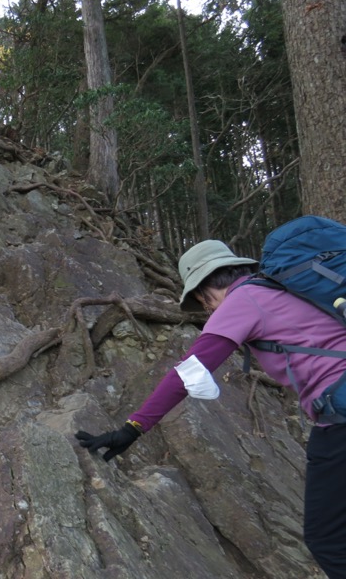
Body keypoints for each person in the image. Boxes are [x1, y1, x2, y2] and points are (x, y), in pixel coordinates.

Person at [75, 239, 346, 578]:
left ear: (206, 287)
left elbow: (188, 373)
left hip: (341, 417)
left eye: (202, 300)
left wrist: (132, 428)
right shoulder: (278, 292)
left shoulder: (243, 300)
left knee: (328, 538)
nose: (207, 310)